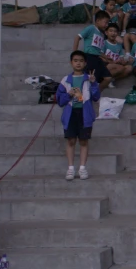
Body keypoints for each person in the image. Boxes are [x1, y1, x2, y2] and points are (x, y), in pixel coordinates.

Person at [56, 51, 100, 181]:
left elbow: (96, 97)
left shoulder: (89, 79)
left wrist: (93, 83)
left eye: (81, 60)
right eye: (75, 60)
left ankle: (82, 168)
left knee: (83, 141)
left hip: (85, 113)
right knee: (70, 140)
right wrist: (68, 94)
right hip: (70, 114)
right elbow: (60, 100)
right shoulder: (65, 80)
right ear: (71, 63)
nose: (78, 63)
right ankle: (70, 168)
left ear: (85, 63)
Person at [74, 11, 112, 89]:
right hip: (89, 57)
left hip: (97, 58)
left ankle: (95, 95)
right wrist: (75, 53)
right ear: (97, 21)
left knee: (107, 78)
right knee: (88, 80)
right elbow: (77, 37)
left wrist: (106, 57)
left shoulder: (102, 34)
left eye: (108, 23)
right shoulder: (91, 28)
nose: (107, 25)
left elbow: (97, 49)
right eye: (105, 22)